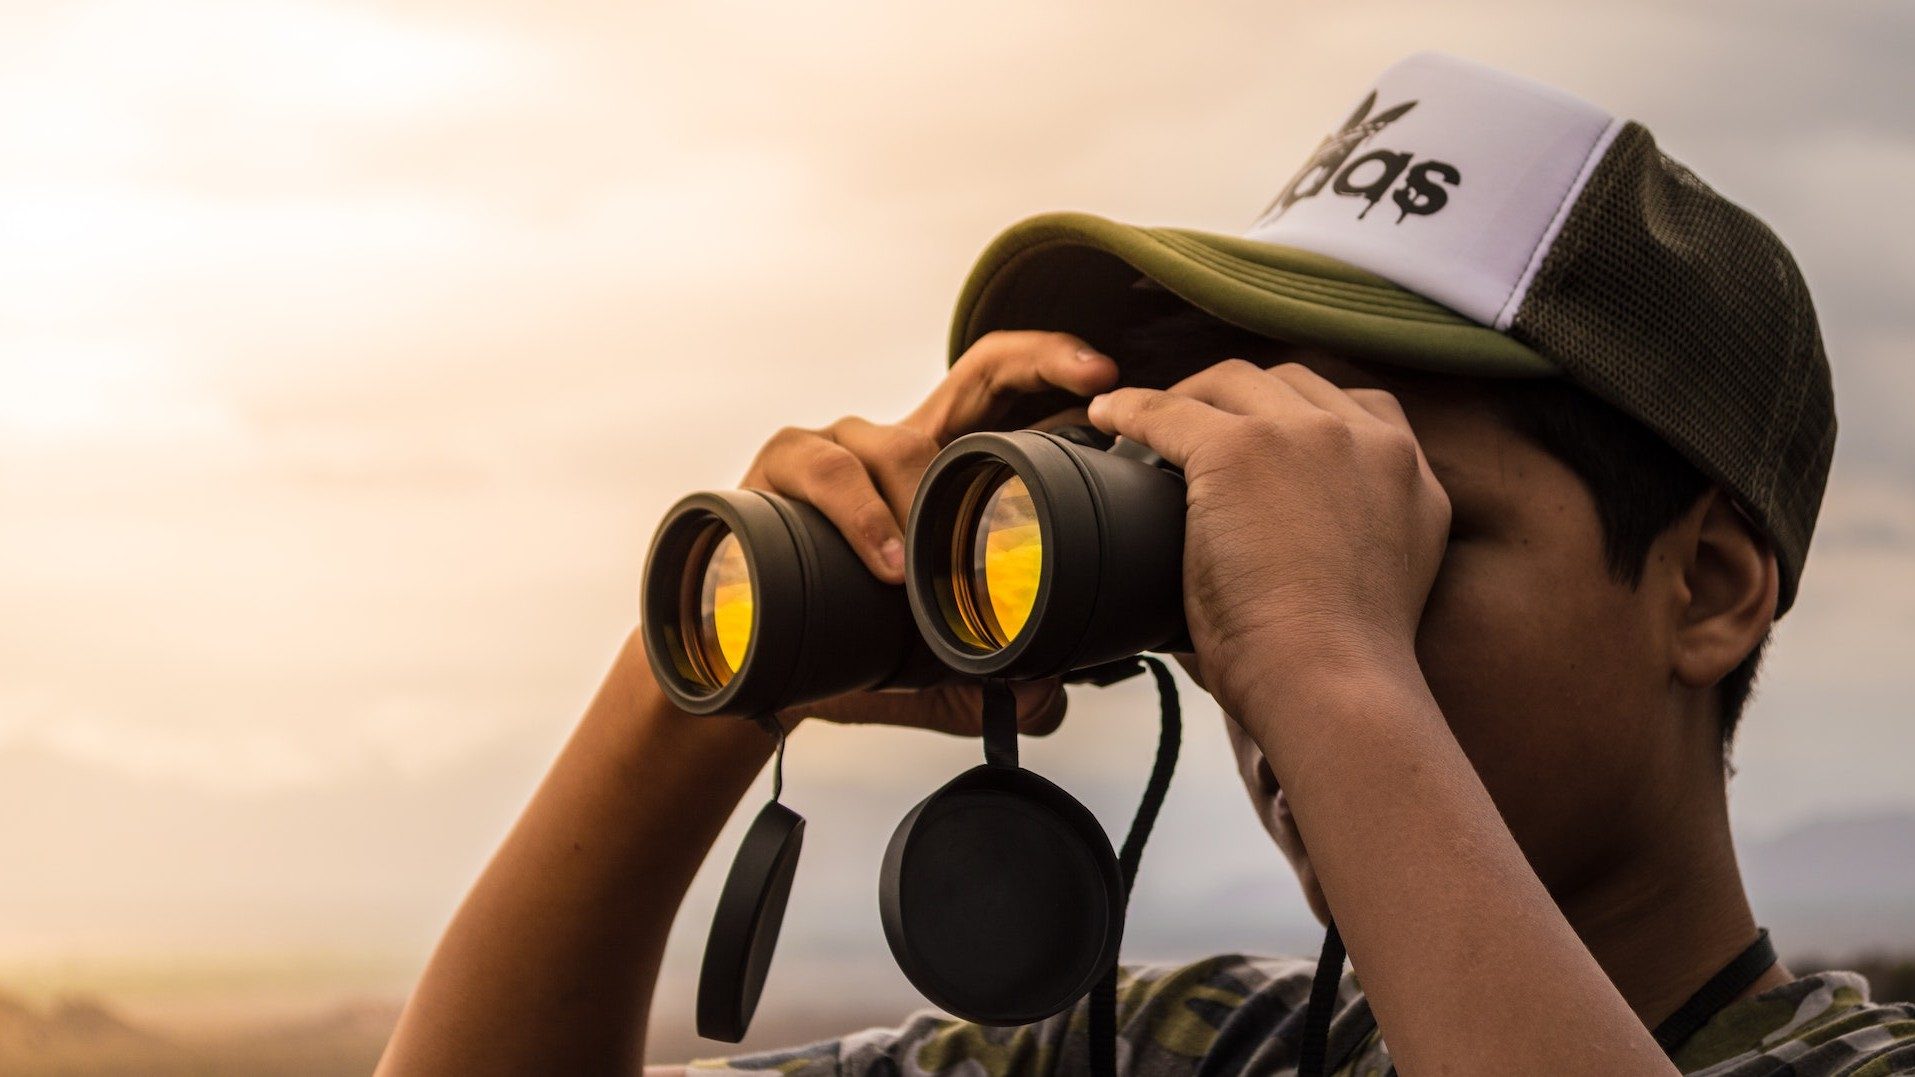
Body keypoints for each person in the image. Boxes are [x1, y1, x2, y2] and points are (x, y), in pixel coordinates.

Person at [376, 52, 1915, 1076]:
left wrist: (1330, 655)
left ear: (1707, 584)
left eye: (1394, 520)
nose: (1254, 618)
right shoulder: (1206, 1047)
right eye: (1229, 509)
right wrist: (702, 680)